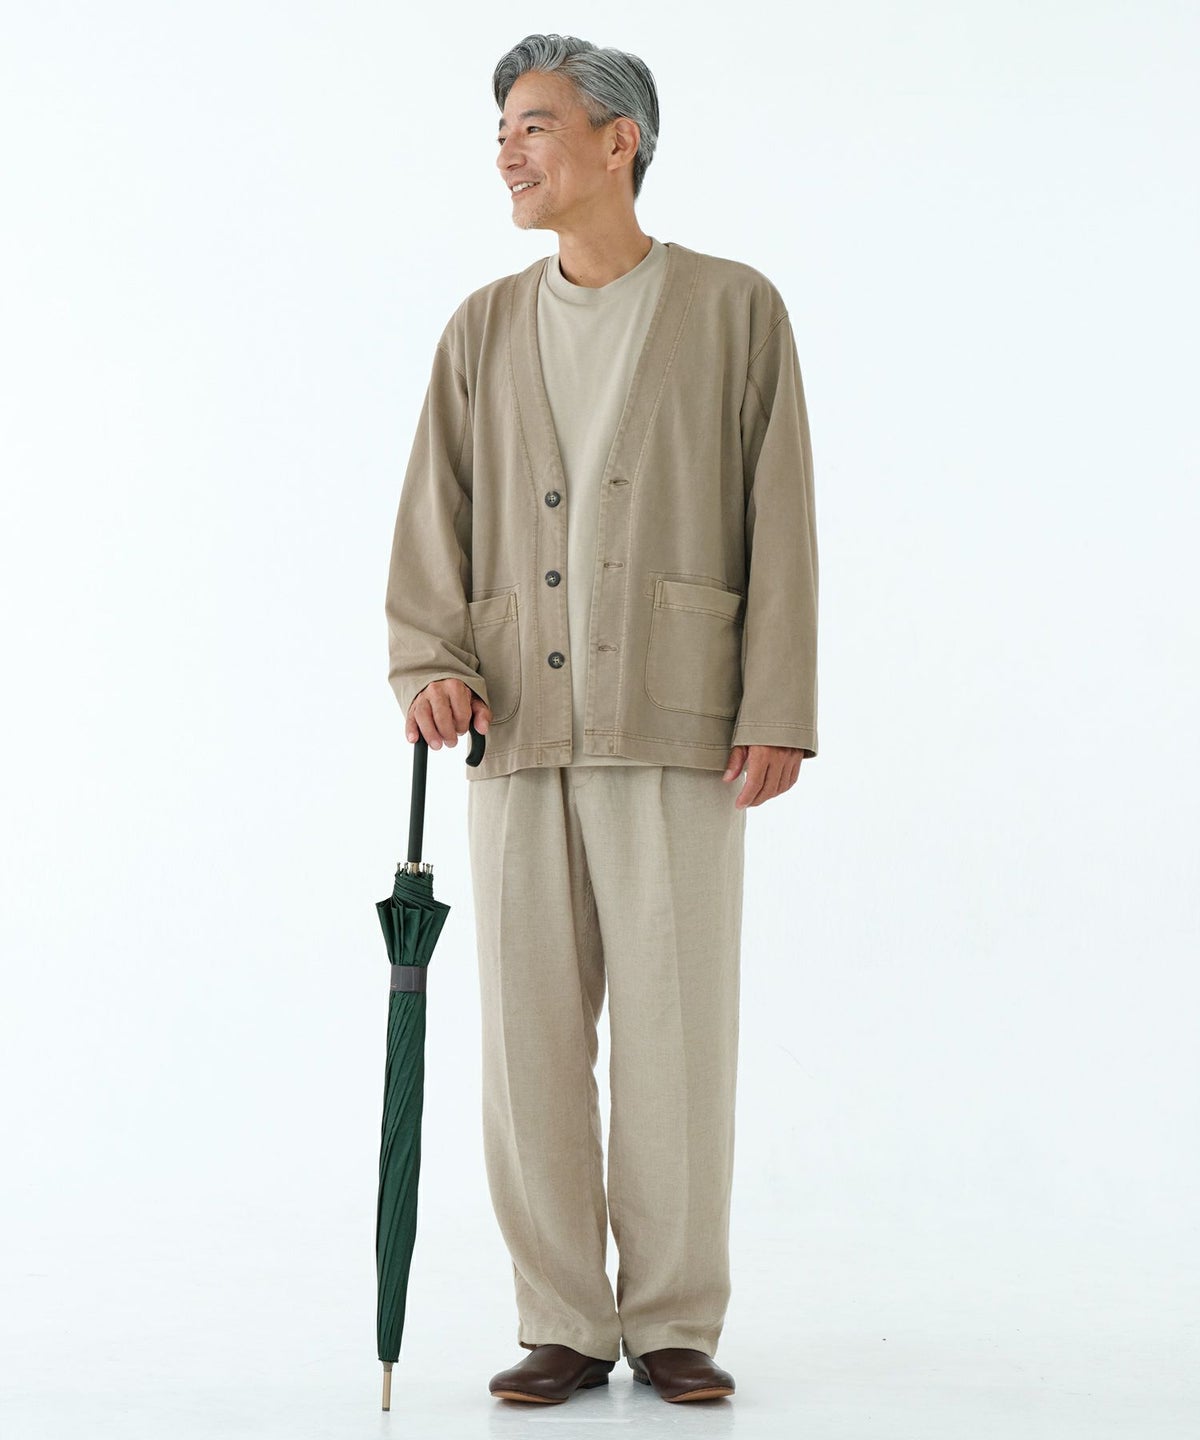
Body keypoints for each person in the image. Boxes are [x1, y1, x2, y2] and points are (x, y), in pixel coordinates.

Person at [384, 32, 819, 1406]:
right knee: (527, 1039)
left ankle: (675, 1315)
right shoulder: (481, 328)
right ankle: (562, 1317)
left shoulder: (735, 308)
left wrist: (778, 704)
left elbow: (781, 515)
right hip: (514, 724)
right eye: (501, 131)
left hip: (681, 719)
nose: (507, 152)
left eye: (534, 125)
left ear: (619, 140)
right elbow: (435, 517)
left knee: (678, 1032)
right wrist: (427, 662)